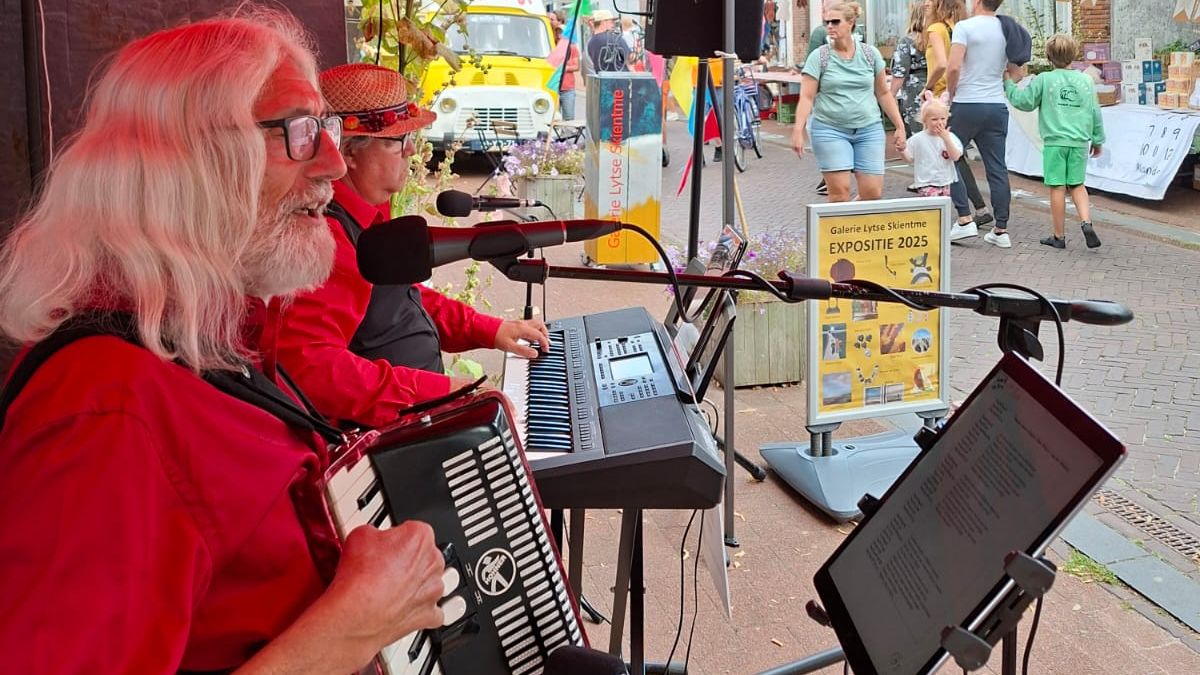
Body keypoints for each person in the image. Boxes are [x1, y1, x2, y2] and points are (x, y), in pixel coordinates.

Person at [0, 11, 447, 671]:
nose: (330, 163)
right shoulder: (102, 412)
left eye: (324, 127)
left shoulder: (215, 339)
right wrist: (350, 625)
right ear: (184, 159)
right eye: (297, 131)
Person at [275, 64, 550, 430]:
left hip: (416, 417)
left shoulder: (369, 212)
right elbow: (313, 368)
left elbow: (402, 300)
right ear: (349, 153)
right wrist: (442, 393)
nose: (410, 152)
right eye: (395, 142)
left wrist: (491, 329)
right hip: (384, 436)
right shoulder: (323, 235)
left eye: (411, 139)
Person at [789, 1, 907, 203]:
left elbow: (883, 93)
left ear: (851, 22)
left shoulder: (870, 54)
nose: (830, 27)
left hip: (868, 128)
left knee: (872, 193)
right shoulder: (820, 57)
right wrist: (798, 130)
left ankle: (852, 229)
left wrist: (899, 126)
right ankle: (838, 232)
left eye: (835, 22)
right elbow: (807, 96)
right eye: (827, 22)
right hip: (830, 128)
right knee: (839, 192)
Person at [1005, 34, 1105, 250]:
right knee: (1078, 185)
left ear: (1049, 57)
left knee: (1057, 187)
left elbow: (1024, 102)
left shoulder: (1043, 80)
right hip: (1079, 142)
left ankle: (1059, 236)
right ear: (1074, 55)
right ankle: (1086, 221)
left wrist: (1009, 85)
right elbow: (1095, 112)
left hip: (1055, 143)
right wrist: (1097, 140)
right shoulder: (1086, 80)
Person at [945, 0, 1014, 248]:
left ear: (976, 2)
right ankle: (1000, 230)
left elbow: (953, 66)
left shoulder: (965, 26)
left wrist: (951, 94)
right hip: (996, 104)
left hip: (967, 103)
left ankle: (964, 220)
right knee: (997, 167)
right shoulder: (1007, 28)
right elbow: (1018, 72)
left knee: (946, 155)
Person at [923, 0, 992, 230]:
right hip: (961, 96)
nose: (925, 3)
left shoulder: (936, 29)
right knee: (956, 153)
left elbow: (942, 63)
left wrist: (928, 86)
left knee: (946, 154)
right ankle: (979, 208)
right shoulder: (962, 28)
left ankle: (963, 214)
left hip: (940, 99)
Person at [902, 97, 964, 197]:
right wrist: (902, 150)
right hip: (925, 182)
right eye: (934, 119)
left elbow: (955, 157)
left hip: (945, 181)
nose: (939, 122)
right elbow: (909, 158)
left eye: (943, 119)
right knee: (933, 206)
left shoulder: (951, 137)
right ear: (924, 121)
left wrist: (946, 139)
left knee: (943, 209)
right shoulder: (918, 138)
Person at [890, 1, 929, 136]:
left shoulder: (907, 41)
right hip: (937, 89)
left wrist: (891, 95)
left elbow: (900, 72)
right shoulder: (938, 36)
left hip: (915, 92)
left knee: (918, 136)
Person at [550, 25, 581, 120]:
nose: (559, 35)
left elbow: (577, 66)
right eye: (558, 32)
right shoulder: (552, 47)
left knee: (569, 117)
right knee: (554, 118)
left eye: (562, 33)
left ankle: (568, 134)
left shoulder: (573, 48)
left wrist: (566, 68)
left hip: (568, 88)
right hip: (553, 87)